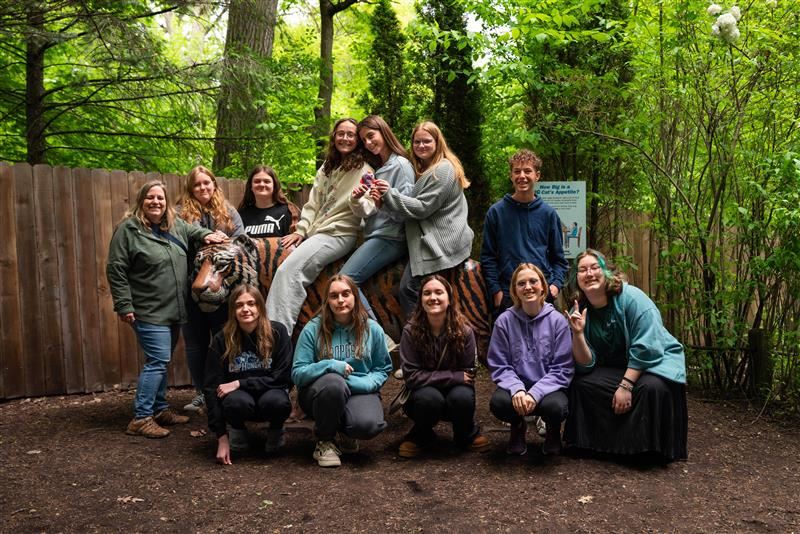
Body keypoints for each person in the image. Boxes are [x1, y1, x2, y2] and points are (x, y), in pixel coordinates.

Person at [107, 180, 226, 438]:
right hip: (147, 309)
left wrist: (207, 235)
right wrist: (124, 304)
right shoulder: (129, 230)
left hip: (173, 309)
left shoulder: (174, 225)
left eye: (160, 198)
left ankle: (160, 409)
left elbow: (193, 232)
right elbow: (116, 269)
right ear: (141, 201)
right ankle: (141, 417)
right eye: (150, 197)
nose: (156, 202)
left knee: (161, 361)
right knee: (157, 362)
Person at [562, 249, 688, 462]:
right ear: (577, 279)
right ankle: (595, 446)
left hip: (653, 363)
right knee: (582, 384)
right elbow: (586, 363)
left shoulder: (632, 298)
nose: (589, 273)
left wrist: (626, 386)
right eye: (582, 270)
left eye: (595, 267)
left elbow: (647, 347)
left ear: (607, 272)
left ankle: (648, 450)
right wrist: (578, 334)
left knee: (651, 388)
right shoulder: (582, 309)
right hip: (617, 367)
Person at [266, 119, 371, 335]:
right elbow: (312, 204)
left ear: (358, 140)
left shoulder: (364, 170)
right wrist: (301, 231)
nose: (345, 138)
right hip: (317, 233)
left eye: (351, 134)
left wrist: (357, 200)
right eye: (341, 133)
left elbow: (365, 210)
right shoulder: (327, 167)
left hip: (339, 234)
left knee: (288, 271)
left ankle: (275, 336)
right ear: (334, 137)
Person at [372, 121, 474, 315]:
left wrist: (389, 195)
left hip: (441, 244)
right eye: (417, 142)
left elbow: (422, 208)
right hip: (429, 239)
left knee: (409, 289)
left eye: (426, 141)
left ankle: (424, 337)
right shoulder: (426, 169)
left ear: (437, 142)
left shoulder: (443, 169)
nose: (421, 146)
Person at [291, 275, 392, 467]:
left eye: (346, 294)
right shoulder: (313, 329)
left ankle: (346, 431)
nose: (340, 300)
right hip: (320, 393)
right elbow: (298, 373)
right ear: (327, 301)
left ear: (355, 296)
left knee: (368, 426)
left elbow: (382, 368)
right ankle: (325, 440)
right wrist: (329, 365)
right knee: (334, 384)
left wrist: (364, 383)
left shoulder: (372, 329)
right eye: (334, 296)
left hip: (359, 388)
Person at [397, 275, 490, 457]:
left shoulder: (465, 331)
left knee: (462, 397)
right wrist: (453, 377)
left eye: (439, 292)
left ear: (449, 299)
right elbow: (412, 376)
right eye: (427, 293)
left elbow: (469, 373)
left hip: (454, 392)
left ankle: (465, 433)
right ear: (421, 300)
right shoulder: (410, 331)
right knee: (429, 399)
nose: (433, 297)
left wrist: (437, 377)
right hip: (423, 393)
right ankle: (421, 434)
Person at [176, 165, 244, 414]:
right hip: (189, 287)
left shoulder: (229, 212)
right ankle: (202, 394)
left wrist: (225, 241)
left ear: (214, 184)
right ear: (190, 188)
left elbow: (241, 243)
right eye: (197, 184)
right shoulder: (179, 213)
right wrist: (201, 237)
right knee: (194, 343)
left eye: (207, 183)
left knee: (222, 339)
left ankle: (223, 388)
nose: (203, 188)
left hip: (221, 289)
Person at [487, 264, 574, 455]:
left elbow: (563, 368)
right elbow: (499, 364)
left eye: (533, 281)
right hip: (516, 390)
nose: (528, 287)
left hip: (548, 390)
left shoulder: (558, 321)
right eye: (521, 283)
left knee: (557, 407)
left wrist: (535, 393)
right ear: (515, 290)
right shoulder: (504, 321)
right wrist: (517, 388)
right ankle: (517, 428)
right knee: (499, 403)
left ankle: (553, 431)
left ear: (543, 286)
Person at [204, 285, 293, 464]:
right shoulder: (222, 339)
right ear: (233, 310)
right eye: (239, 305)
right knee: (236, 402)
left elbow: (283, 376)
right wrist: (221, 437)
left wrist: (240, 383)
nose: (246, 309)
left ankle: (276, 431)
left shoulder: (277, 332)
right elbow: (212, 387)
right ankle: (237, 431)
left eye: (251, 303)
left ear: (260, 306)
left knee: (277, 401)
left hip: (271, 394)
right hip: (240, 401)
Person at [340, 115, 414, 321]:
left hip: (391, 237)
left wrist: (384, 204)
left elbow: (407, 211)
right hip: (375, 235)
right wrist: (357, 200)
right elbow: (372, 211)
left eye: (371, 136)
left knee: (345, 280)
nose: (368, 143)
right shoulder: (380, 169)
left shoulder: (401, 165)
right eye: (364, 140)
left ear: (384, 132)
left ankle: (378, 337)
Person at [480, 149, 568, 318]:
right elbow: (488, 257)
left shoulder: (548, 214)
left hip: (542, 294)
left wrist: (555, 286)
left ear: (537, 175)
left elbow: (559, 259)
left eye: (527, 171)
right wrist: (496, 291)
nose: (522, 176)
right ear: (511, 176)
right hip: (508, 295)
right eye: (517, 171)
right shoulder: (496, 212)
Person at [238, 165, 297, 238]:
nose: (262, 184)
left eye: (267, 181)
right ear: (251, 186)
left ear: (274, 186)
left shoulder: (287, 212)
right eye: (257, 181)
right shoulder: (242, 214)